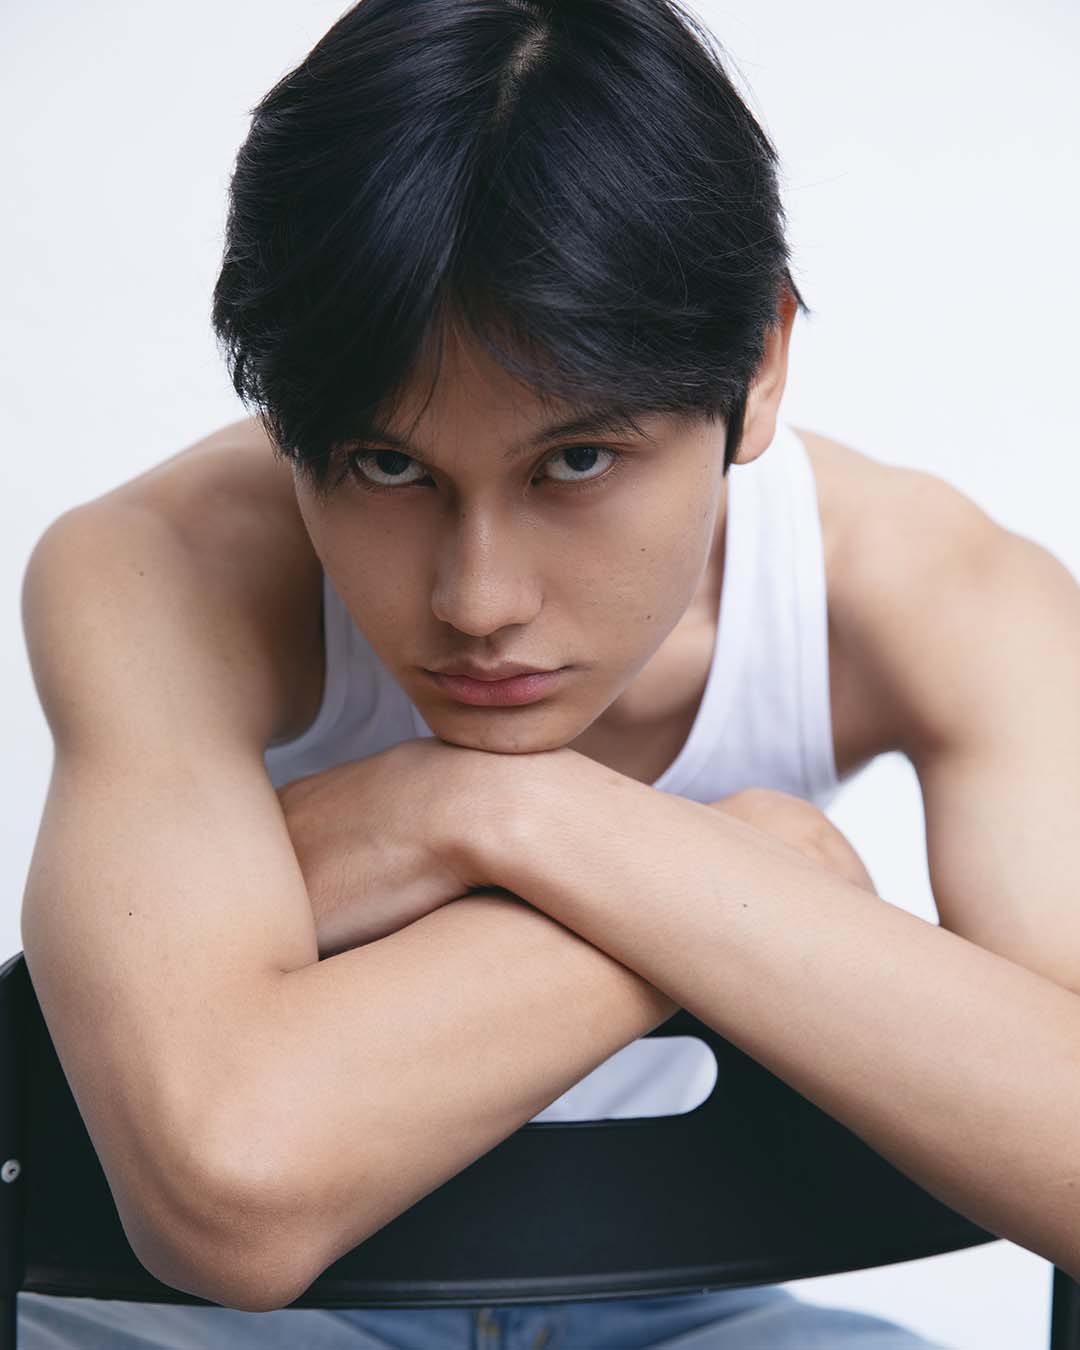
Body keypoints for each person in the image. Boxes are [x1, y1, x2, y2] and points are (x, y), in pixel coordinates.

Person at [17, 0, 1080, 1345]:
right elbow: (227, 1190)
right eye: (387, 466)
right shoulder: (160, 568)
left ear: (759, 363)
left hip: (698, 1318)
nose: (477, 602)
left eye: (575, 462)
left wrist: (484, 825)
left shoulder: (938, 593)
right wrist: (746, 860)